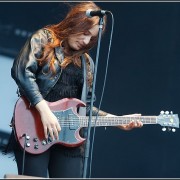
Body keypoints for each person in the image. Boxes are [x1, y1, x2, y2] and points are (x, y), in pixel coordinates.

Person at [8, 1, 143, 178]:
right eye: (85, 33)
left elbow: (84, 106)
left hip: (69, 138)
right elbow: (21, 70)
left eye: (92, 38)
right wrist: (44, 111)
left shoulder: (86, 63)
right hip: (36, 128)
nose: (86, 41)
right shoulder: (45, 38)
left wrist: (115, 120)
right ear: (75, 22)